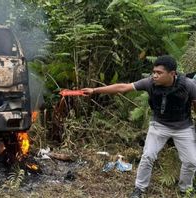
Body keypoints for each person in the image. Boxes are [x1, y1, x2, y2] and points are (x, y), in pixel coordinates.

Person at [81, 55, 196, 198]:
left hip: (183, 127)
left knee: (191, 161)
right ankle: (139, 189)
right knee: (148, 156)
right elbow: (123, 87)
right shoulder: (149, 83)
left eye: (159, 73)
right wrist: (94, 90)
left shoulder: (188, 85)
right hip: (159, 125)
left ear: (172, 74)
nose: (154, 75)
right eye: (153, 72)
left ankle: (186, 190)